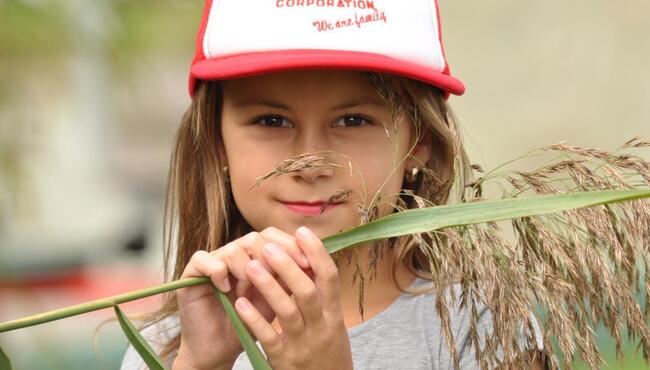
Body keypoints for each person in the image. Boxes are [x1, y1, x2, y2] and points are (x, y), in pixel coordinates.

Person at [121, 1, 546, 369]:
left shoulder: (478, 324)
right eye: (272, 121)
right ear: (217, 143)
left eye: (353, 120)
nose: (311, 164)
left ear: (421, 143)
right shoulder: (174, 344)